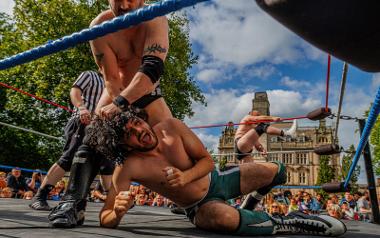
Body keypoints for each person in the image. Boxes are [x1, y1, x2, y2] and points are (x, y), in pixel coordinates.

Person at [89, 111, 345, 236]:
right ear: (124, 145)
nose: (140, 130)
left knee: (278, 170)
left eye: (137, 122)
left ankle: (250, 204)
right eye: (130, 133)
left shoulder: (171, 127)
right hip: (199, 206)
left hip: (218, 180)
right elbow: (105, 218)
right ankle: (287, 222)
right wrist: (118, 212)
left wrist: (185, 177)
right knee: (223, 218)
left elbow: (207, 162)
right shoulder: (129, 166)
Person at [48, 0, 173, 227]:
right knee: (92, 137)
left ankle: (190, 198)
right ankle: (72, 203)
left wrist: (121, 104)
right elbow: (112, 79)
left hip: (147, 87)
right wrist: (119, 108)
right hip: (116, 90)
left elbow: (152, 68)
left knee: (173, 139)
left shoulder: (156, 17)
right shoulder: (100, 27)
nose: (125, 5)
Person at [29, 71, 114, 210]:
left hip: (101, 127)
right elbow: (75, 91)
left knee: (106, 163)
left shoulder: (113, 84)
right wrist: (81, 108)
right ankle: (40, 196)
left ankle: (111, 198)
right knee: (69, 158)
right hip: (82, 121)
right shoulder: (90, 75)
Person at [237, 110, 297, 211]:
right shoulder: (246, 118)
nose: (259, 115)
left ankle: (246, 205)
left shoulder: (250, 130)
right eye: (258, 114)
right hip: (241, 144)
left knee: (251, 179)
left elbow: (256, 143)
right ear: (252, 113)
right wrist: (272, 118)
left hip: (245, 153)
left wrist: (261, 149)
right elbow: (258, 119)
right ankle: (287, 134)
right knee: (261, 126)